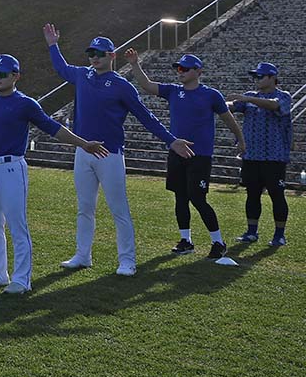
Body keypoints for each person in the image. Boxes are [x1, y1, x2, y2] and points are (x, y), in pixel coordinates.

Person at [0, 54, 109, 294]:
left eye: (2, 74)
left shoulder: (25, 104)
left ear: (16, 76)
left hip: (11, 169)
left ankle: (21, 279)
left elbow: (54, 128)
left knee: (17, 225)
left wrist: (83, 143)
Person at [44, 27, 191, 276]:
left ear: (112, 55)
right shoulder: (82, 75)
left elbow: (146, 117)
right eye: (91, 53)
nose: (94, 57)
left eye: (100, 53)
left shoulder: (122, 86)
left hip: (109, 154)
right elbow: (61, 68)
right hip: (83, 152)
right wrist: (52, 45)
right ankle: (82, 255)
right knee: (84, 207)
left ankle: (127, 260)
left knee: (119, 210)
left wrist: (171, 140)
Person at [126, 51, 245, 260]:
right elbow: (147, 85)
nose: (180, 72)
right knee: (180, 197)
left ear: (198, 72)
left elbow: (228, 119)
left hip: (200, 155)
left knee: (197, 198)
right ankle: (185, 241)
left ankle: (218, 242)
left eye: (185, 69)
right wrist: (135, 64)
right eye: (178, 68)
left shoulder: (211, 95)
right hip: (176, 152)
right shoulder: (173, 91)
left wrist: (241, 140)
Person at [227, 62, 292, 247]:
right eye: (255, 76)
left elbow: (273, 105)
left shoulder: (283, 96)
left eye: (260, 76)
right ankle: (251, 232)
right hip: (252, 155)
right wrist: (222, 103)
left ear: (272, 78)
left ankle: (279, 235)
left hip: (274, 156)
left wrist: (246, 98)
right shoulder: (250, 96)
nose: (256, 80)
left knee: (277, 195)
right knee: (252, 194)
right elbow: (233, 106)